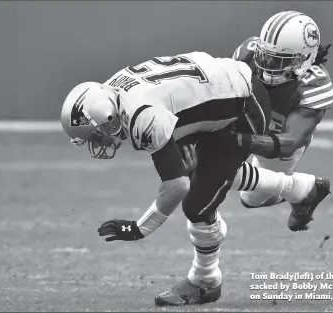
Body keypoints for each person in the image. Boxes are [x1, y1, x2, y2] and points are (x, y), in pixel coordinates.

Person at [61, 51, 315, 306]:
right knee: (205, 171)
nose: (98, 142)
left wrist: (139, 229)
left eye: (95, 135)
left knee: (197, 204)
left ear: (107, 117)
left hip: (244, 105)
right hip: (217, 92)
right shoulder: (114, 89)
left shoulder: (141, 114)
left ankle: (205, 282)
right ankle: (301, 190)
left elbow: (175, 187)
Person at [228, 11, 333, 232]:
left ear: (304, 59)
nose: (267, 65)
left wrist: (238, 140)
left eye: (279, 60)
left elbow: (290, 142)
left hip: (277, 139)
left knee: (251, 199)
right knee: (214, 166)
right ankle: (303, 189)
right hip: (248, 119)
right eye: (265, 56)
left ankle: (305, 191)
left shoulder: (314, 83)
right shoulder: (247, 54)